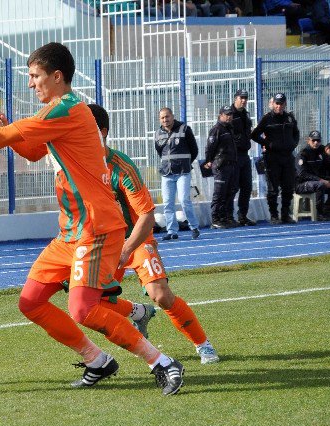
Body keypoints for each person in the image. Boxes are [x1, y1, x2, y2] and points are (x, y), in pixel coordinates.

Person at [0, 42, 185, 395]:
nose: (30, 83)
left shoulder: (68, 109)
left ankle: (162, 363)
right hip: (71, 231)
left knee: (83, 308)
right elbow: (30, 148)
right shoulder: (62, 111)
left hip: (95, 228)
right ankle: (97, 361)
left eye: (35, 76)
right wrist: (8, 128)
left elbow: (4, 139)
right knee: (31, 302)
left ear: (57, 76)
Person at [87, 103, 219, 364]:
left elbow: (147, 217)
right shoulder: (77, 166)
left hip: (135, 240)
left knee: (161, 294)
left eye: (83, 128)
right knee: (89, 303)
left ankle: (203, 344)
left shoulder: (121, 167)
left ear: (101, 132)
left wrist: (126, 249)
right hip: (103, 244)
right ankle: (139, 313)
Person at [250, 93, 300, 224]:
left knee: (288, 187)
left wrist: (293, 144)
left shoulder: (290, 117)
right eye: (277, 103)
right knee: (273, 188)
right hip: (273, 157)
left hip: (288, 156)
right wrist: (268, 144)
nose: (279, 106)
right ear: (273, 104)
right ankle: (274, 215)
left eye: (281, 103)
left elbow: (296, 132)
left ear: (285, 104)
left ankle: (285, 214)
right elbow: (254, 135)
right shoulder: (267, 118)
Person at [154, 107, 201, 241]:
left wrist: (185, 162)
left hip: (182, 172)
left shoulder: (184, 129)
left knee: (184, 200)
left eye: (167, 117)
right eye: (162, 118)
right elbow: (160, 152)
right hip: (167, 173)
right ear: (160, 119)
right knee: (168, 203)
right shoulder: (158, 133)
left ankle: (194, 227)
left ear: (172, 117)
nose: (165, 120)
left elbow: (194, 150)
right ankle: (172, 231)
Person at [205, 106, 238, 229]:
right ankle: (215, 219)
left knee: (230, 192)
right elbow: (210, 147)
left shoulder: (229, 128)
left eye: (230, 114)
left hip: (231, 165)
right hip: (221, 165)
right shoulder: (217, 129)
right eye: (226, 114)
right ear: (220, 115)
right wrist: (209, 160)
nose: (229, 117)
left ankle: (225, 217)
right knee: (219, 193)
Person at [230, 89, 256, 226]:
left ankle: (242, 216)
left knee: (247, 186)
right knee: (233, 187)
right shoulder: (229, 113)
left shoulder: (246, 114)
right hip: (233, 156)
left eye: (246, 98)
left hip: (244, 155)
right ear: (236, 98)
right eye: (241, 98)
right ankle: (229, 216)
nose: (244, 100)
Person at [295, 131, 330, 220]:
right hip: (301, 184)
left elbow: (329, 165)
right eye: (314, 140)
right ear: (309, 141)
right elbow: (302, 174)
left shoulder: (321, 151)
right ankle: (319, 213)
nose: (316, 143)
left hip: (317, 180)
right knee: (320, 185)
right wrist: (321, 180)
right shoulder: (303, 154)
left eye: (318, 140)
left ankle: (328, 209)